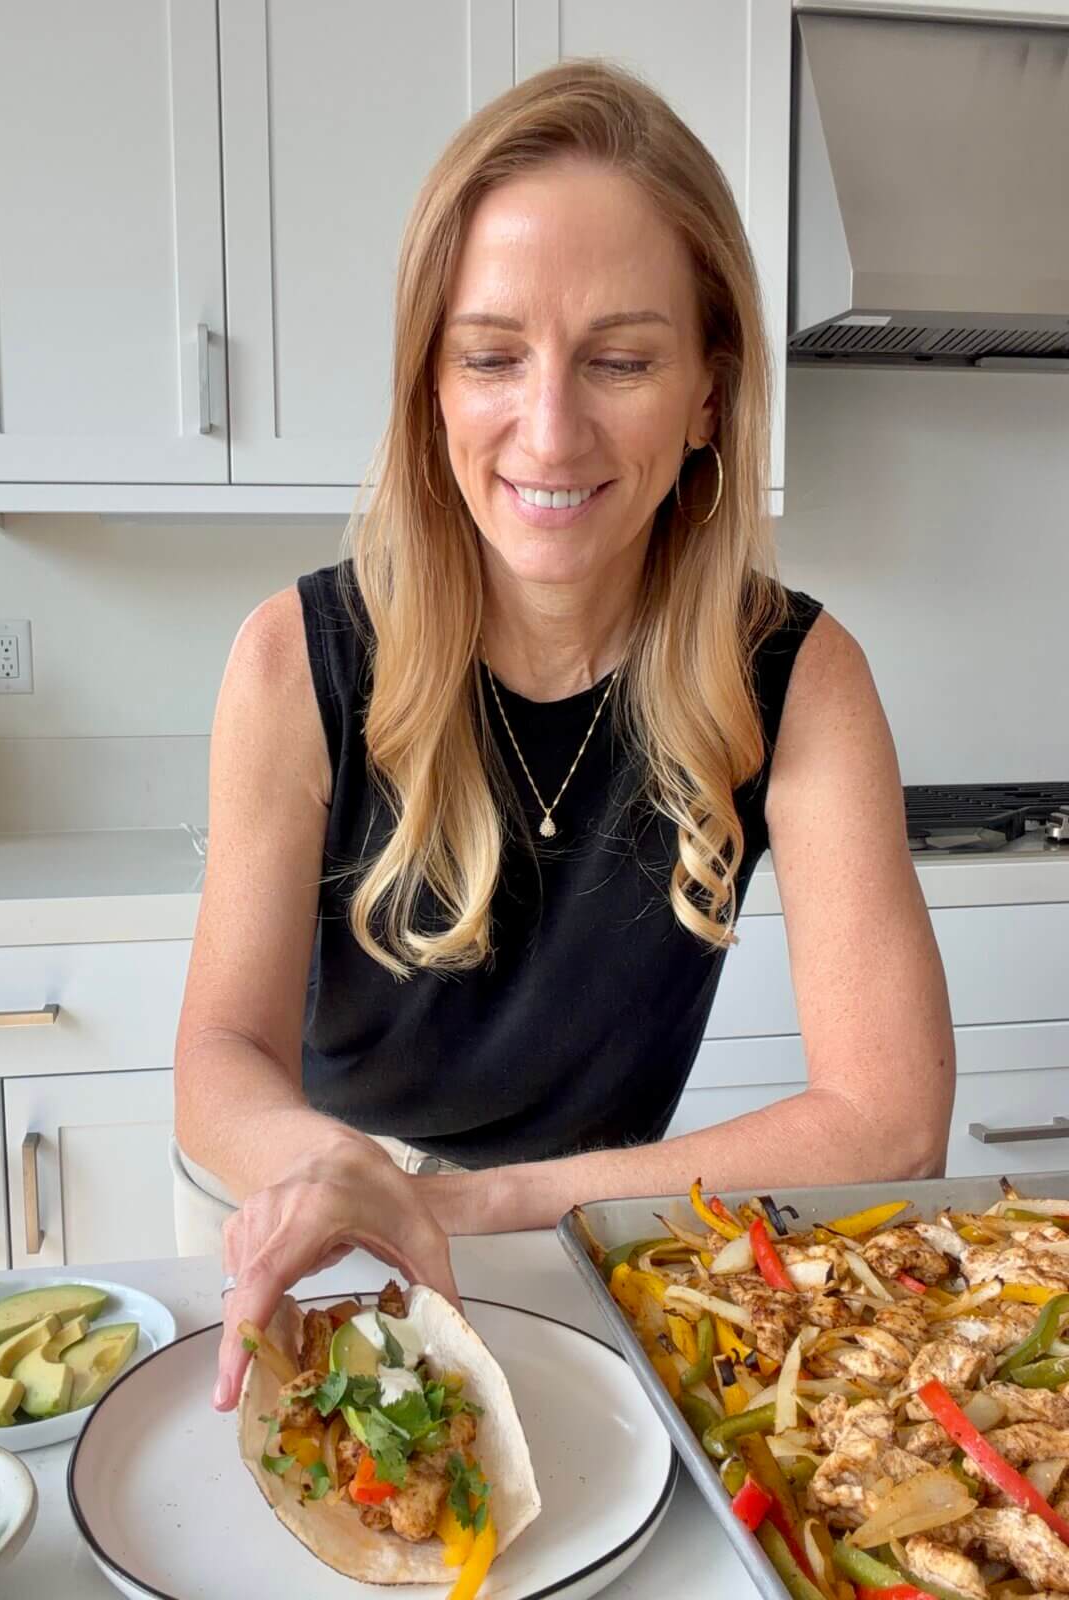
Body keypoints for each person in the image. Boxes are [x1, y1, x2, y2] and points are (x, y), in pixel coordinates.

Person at [171, 60, 955, 1415]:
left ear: (707, 392)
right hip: (295, 1219)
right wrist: (336, 1176)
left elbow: (891, 1120)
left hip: (582, 1233)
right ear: (430, 383)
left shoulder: (801, 679)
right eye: (491, 356)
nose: (548, 430)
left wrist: (481, 1205)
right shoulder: (292, 659)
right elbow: (215, 1061)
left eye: (622, 361)